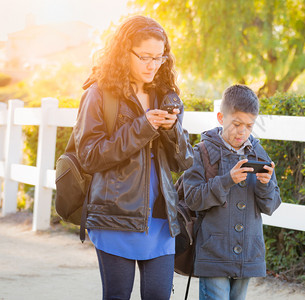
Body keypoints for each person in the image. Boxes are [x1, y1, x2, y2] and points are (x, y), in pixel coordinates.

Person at [72, 15, 193, 300]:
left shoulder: (167, 95)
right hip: (115, 215)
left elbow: (183, 162)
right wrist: (144, 127)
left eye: (159, 57)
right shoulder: (98, 93)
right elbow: (89, 156)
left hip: (161, 216)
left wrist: (171, 130)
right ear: (124, 52)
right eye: (145, 57)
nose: (153, 64)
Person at [183, 84, 282, 300]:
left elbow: (271, 205)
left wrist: (265, 184)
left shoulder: (258, 153)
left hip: (248, 252)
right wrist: (227, 181)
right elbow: (192, 199)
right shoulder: (202, 152)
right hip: (214, 251)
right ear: (221, 117)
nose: (242, 131)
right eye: (236, 124)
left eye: (249, 125)